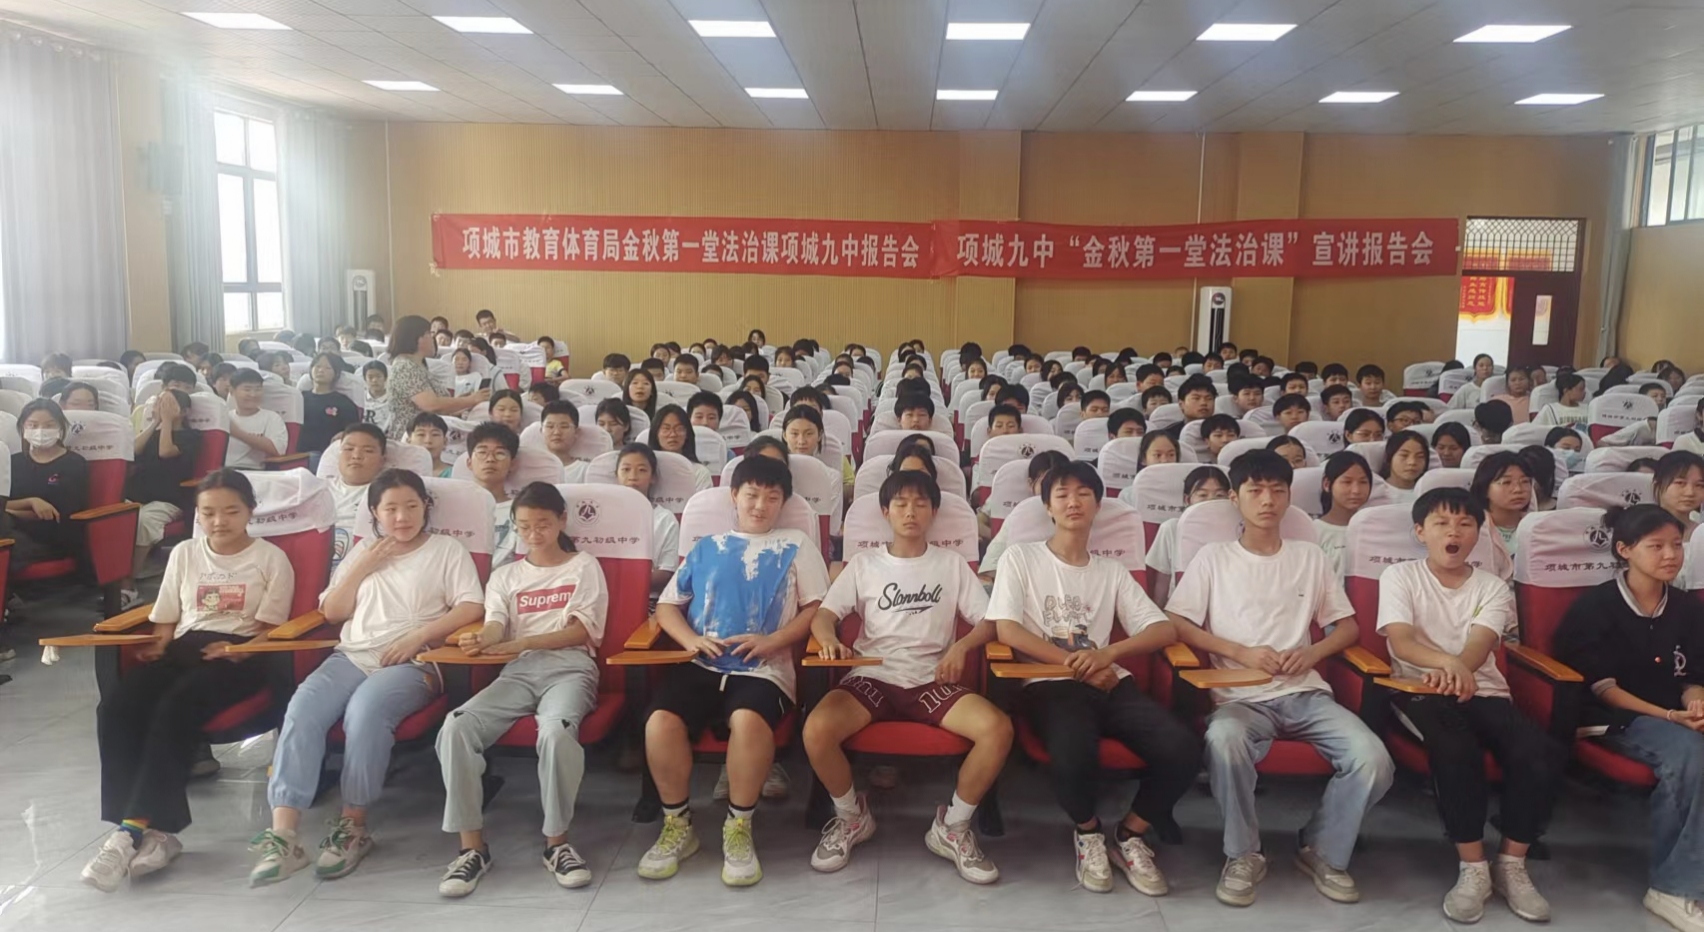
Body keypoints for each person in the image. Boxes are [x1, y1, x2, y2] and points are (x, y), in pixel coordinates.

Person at [1169, 451, 1393, 907]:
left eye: (1277, 490)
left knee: (1373, 759)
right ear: (1235, 498)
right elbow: (1176, 621)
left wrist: (1312, 652)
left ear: (1290, 497)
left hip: (1305, 692)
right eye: (1255, 490)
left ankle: (1321, 848)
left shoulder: (1309, 556)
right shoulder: (1214, 558)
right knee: (1224, 741)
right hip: (1238, 695)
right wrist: (1239, 652)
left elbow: (1347, 628)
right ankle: (1243, 853)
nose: (1267, 500)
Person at [250, 469, 483, 885]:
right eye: (390, 508)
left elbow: (471, 607)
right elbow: (333, 611)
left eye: (411, 506)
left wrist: (419, 636)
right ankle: (284, 835)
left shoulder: (446, 549)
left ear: (426, 507)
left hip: (413, 662)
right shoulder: (364, 551)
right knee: (302, 710)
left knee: (365, 711)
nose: (401, 517)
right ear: (374, 512)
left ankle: (353, 826)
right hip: (351, 656)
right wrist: (364, 565)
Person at [986, 460, 1202, 894]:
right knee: (1072, 754)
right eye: (1062, 494)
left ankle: (1130, 834)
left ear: (1098, 505)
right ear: (1047, 506)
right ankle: (1088, 832)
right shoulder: (1021, 557)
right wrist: (1076, 666)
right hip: (1049, 684)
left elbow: (1163, 630)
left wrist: (1108, 654)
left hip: (1109, 680)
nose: (1073, 502)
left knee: (1184, 748)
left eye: (1084, 493)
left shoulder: (1111, 571)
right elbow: (1007, 630)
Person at [81, 470, 294, 892]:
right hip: (185, 646)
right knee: (117, 706)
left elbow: (272, 630)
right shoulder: (184, 552)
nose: (219, 521)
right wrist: (159, 645)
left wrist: (239, 650)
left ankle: (130, 831)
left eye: (231, 511)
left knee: (175, 707)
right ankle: (156, 833)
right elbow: (167, 617)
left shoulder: (271, 558)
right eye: (208, 513)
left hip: (240, 654)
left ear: (250, 511)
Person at [804, 471, 1011, 882]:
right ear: (886, 511)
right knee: (816, 730)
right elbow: (824, 615)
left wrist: (961, 647)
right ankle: (851, 817)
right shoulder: (864, 563)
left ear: (933, 511)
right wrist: (828, 640)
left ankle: (952, 827)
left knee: (997, 729)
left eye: (920, 504)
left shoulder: (951, 564)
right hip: (871, 675)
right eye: (900, 503)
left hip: (932, 679)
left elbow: (989, 622)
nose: (910, 512)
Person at [636, 455, 830, 887]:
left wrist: (773, 641)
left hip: (764, 668)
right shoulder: (708, 546)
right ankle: (677, 825)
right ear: (734, 496)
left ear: (783, 502)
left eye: (772, 497)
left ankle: (739, 826)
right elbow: (667, 606)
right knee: (660, 721)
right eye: (752, 495)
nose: (761, 505)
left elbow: (816, 608)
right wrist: (690, 640)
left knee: (747, 720)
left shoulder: (797, 543)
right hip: (702, 662)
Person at [1378, 488, 1563, 923]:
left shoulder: (1492, 586)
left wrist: (1459, 668)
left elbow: (1481, 644)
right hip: (1419, 689)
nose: (1454, 532)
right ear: (1420, 531)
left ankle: (1512, 864)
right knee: (1456, 750)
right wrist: (1447, 664)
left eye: (1465, 524)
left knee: (1539, 752)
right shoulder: (1400, 576)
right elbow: (1402, 642)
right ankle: (1473, 868)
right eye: (1442, 523)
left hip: (1484, 690)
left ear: (1478, 534)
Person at [436, 483, 610, 897]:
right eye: (524, 526)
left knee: (555, 732)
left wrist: (517, 643)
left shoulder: (584, 566)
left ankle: (557, 843)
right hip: (518, 673)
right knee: (456, 726)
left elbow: (579, 632)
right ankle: (471, 848)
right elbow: (495, 624)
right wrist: (482, 639)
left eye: (543, 524)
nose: (534, 534)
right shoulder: (505, 575)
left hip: (570, 669)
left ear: (562, 521)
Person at [1552, 505, 1704, 932]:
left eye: (1676, 545)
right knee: (1688, 754)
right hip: (1615, 717)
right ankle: (1673, 888)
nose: (1670, 555)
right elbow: (1604, 689)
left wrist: (1695, 703)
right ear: (1624, 550)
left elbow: (1693, 674)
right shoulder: (1595, 607)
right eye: (1656, 546)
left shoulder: (1687, 608)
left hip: (1674, 714)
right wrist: (1671, 716)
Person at [122, 388, 201, 607]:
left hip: (168, 500)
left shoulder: (192, 436)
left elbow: (165, 452)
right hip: (137, 496)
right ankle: (110, 576)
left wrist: (166, 421)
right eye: (160, 403)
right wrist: (155, 421)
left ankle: (128, 586)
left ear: (184, 411)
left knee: (144, 520)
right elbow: (132, 450)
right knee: (113, 516)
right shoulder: (153, 433)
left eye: (169, 404)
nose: (162, 407)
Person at [5, 398, 90, 570]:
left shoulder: (74, 463)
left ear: (60, 428)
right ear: (23, 428)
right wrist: (31, 501)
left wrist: (7, 511)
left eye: (49, 425)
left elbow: (52, 514)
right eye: (33, 425)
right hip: (11, 531)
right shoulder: (13, 462)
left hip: (51, 539)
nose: (40, 431)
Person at [383, 315, 489, 442]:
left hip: (426, 436)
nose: (433, 339)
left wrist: (460, 402)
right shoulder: (406, 366)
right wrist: (470, 400)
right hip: (413, 439)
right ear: (417, 339)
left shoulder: (417, 365)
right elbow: (431, 405)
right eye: (429, 333)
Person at [1145, 466, 1231, 606]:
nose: (1211, 501)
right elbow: (1163, 581)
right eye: (1202, 495)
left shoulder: (1238, 528)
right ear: (1187, 500)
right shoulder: (1171, 528)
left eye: (1219, 495)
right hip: (1182, 607)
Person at [614, 444, 681, 593]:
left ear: (653, 477)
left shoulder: (665, 519)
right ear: (616, 475)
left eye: (642, 470)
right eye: (626, 469)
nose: (633, 477)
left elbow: (667, 572)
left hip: (648, 597)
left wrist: (623, 585)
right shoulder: (604, 516)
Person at [327, 425, 387, 569]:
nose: (356, 456)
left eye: (368, 451)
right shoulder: (316, 489)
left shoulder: (388, 494)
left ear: (382, 460)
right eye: (349, 449)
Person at [466, 422, 521, 567]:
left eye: (500, 453)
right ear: (469, 462)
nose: (490, 459)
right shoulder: (453, 508)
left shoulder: (520, 510)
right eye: (482, 452)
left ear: (513, 464)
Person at [1315, 451, 1374, 580]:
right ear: (1327, 484)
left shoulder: (1376, 529)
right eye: (1347, 482)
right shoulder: (1314, 531)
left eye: (1363, 482)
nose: (1356, 490)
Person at [1470, 451, 1532, 563]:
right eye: (1506, 482)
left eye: (1525, 481)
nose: (1518, 489)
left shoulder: (1538, 528)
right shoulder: (1473, 529)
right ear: (1484, 489)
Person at [301, 353, 360, 464]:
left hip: (327, 455)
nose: (321, 370)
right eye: (317, 366)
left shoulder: (343, 402)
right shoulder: (299, 398)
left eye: (327, 368)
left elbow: (354, 429)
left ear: (336, 373)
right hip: (298, 454)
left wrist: (344, 434)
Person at [224, 369, 288, 469]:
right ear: (232, 391)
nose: (253, 394)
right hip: (224, 471)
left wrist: (236, 432)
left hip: (256, 471)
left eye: (258, 389)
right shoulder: (225, 417)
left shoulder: (271, 417)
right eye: (247, 390)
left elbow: (278, 450)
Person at [650, 403, 712, 489]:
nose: (673, 434)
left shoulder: (699, 472)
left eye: (679, 429)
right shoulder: (646, 470)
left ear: (687, 434)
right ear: (656, 433)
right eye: (666, 429)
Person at [1653, 450, 1704, 543]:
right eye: (1680, 483)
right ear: (1657, 485)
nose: (1690, 492)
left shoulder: (1701, 533)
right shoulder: (1639, 529)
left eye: (1699, 485)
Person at [539, 400, 589, 480]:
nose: (556, 432)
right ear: (541, 430)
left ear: (576, 432)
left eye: (564, 427)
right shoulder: (532, 469)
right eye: (550, 426)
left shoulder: (586, 470)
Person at [1379, 430, 1430, 504]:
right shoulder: (1376, 492)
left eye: (1420, 456)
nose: (1412, 462)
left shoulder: (1429, 492)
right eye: (1404, 455)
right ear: (1389, 458)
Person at [407, 412, 454, 477]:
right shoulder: (399, 473)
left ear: (445, 442)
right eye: (421, 434)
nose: (428, 441)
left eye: (435, 434)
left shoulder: (455, 474)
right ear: (408, 442)